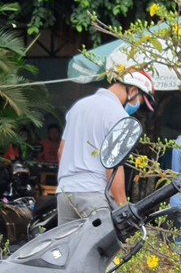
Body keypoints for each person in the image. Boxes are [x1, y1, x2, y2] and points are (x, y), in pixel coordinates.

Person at [56, 66, 153, 224]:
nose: (136, 106)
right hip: (93, 194)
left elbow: (61, 151)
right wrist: (122, 207)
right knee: (103, 247)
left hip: (65, 193)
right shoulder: (118, 115)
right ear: (133, 90)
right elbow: (113, 165)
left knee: (69, 248)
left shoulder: (78, 107)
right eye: (139, 101)